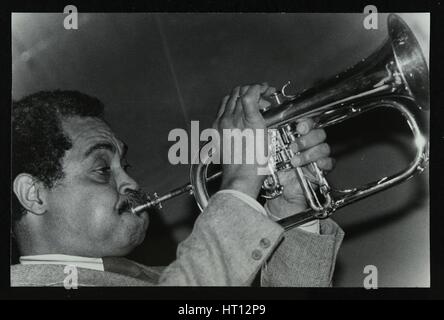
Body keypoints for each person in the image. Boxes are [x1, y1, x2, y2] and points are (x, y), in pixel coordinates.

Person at [10, 84, 344, 287]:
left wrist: (292, 208)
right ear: (34, 194)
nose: (130, 181)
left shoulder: (155, 276)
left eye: (123, 166)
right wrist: (241, 180)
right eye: (101, 169)